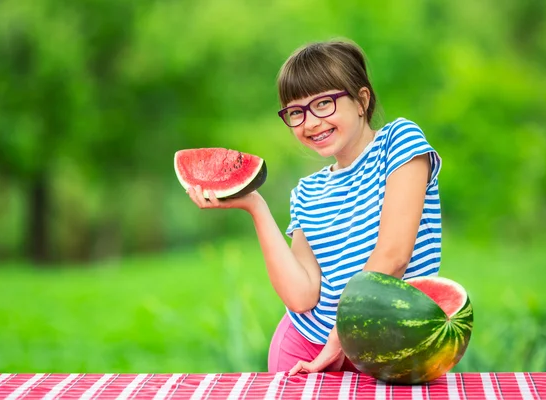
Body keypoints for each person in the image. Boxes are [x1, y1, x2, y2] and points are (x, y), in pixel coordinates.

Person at [185, 39, 442, 375]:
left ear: (361, 100)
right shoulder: (306, 191)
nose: (309, 122)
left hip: (392, 345)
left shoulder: (399, 142)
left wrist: (340, 338)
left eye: (324, 103)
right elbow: (302, 296)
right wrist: (255, 206)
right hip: (305, 350)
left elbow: (394, 257)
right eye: (296, 112)